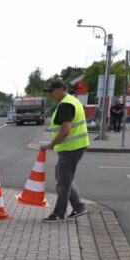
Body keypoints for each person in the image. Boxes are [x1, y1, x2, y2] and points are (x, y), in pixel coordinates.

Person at [41, 80, 90, 222]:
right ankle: (79, 207)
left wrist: (51, 144)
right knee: (63, 179)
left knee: (63, 183)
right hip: (74, 146)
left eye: (52, 91)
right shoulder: (71, 101)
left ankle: (59, 213)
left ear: (62, 89)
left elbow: (66, 129)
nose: (50, 94)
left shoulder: (65, 105)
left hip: (71, 148)